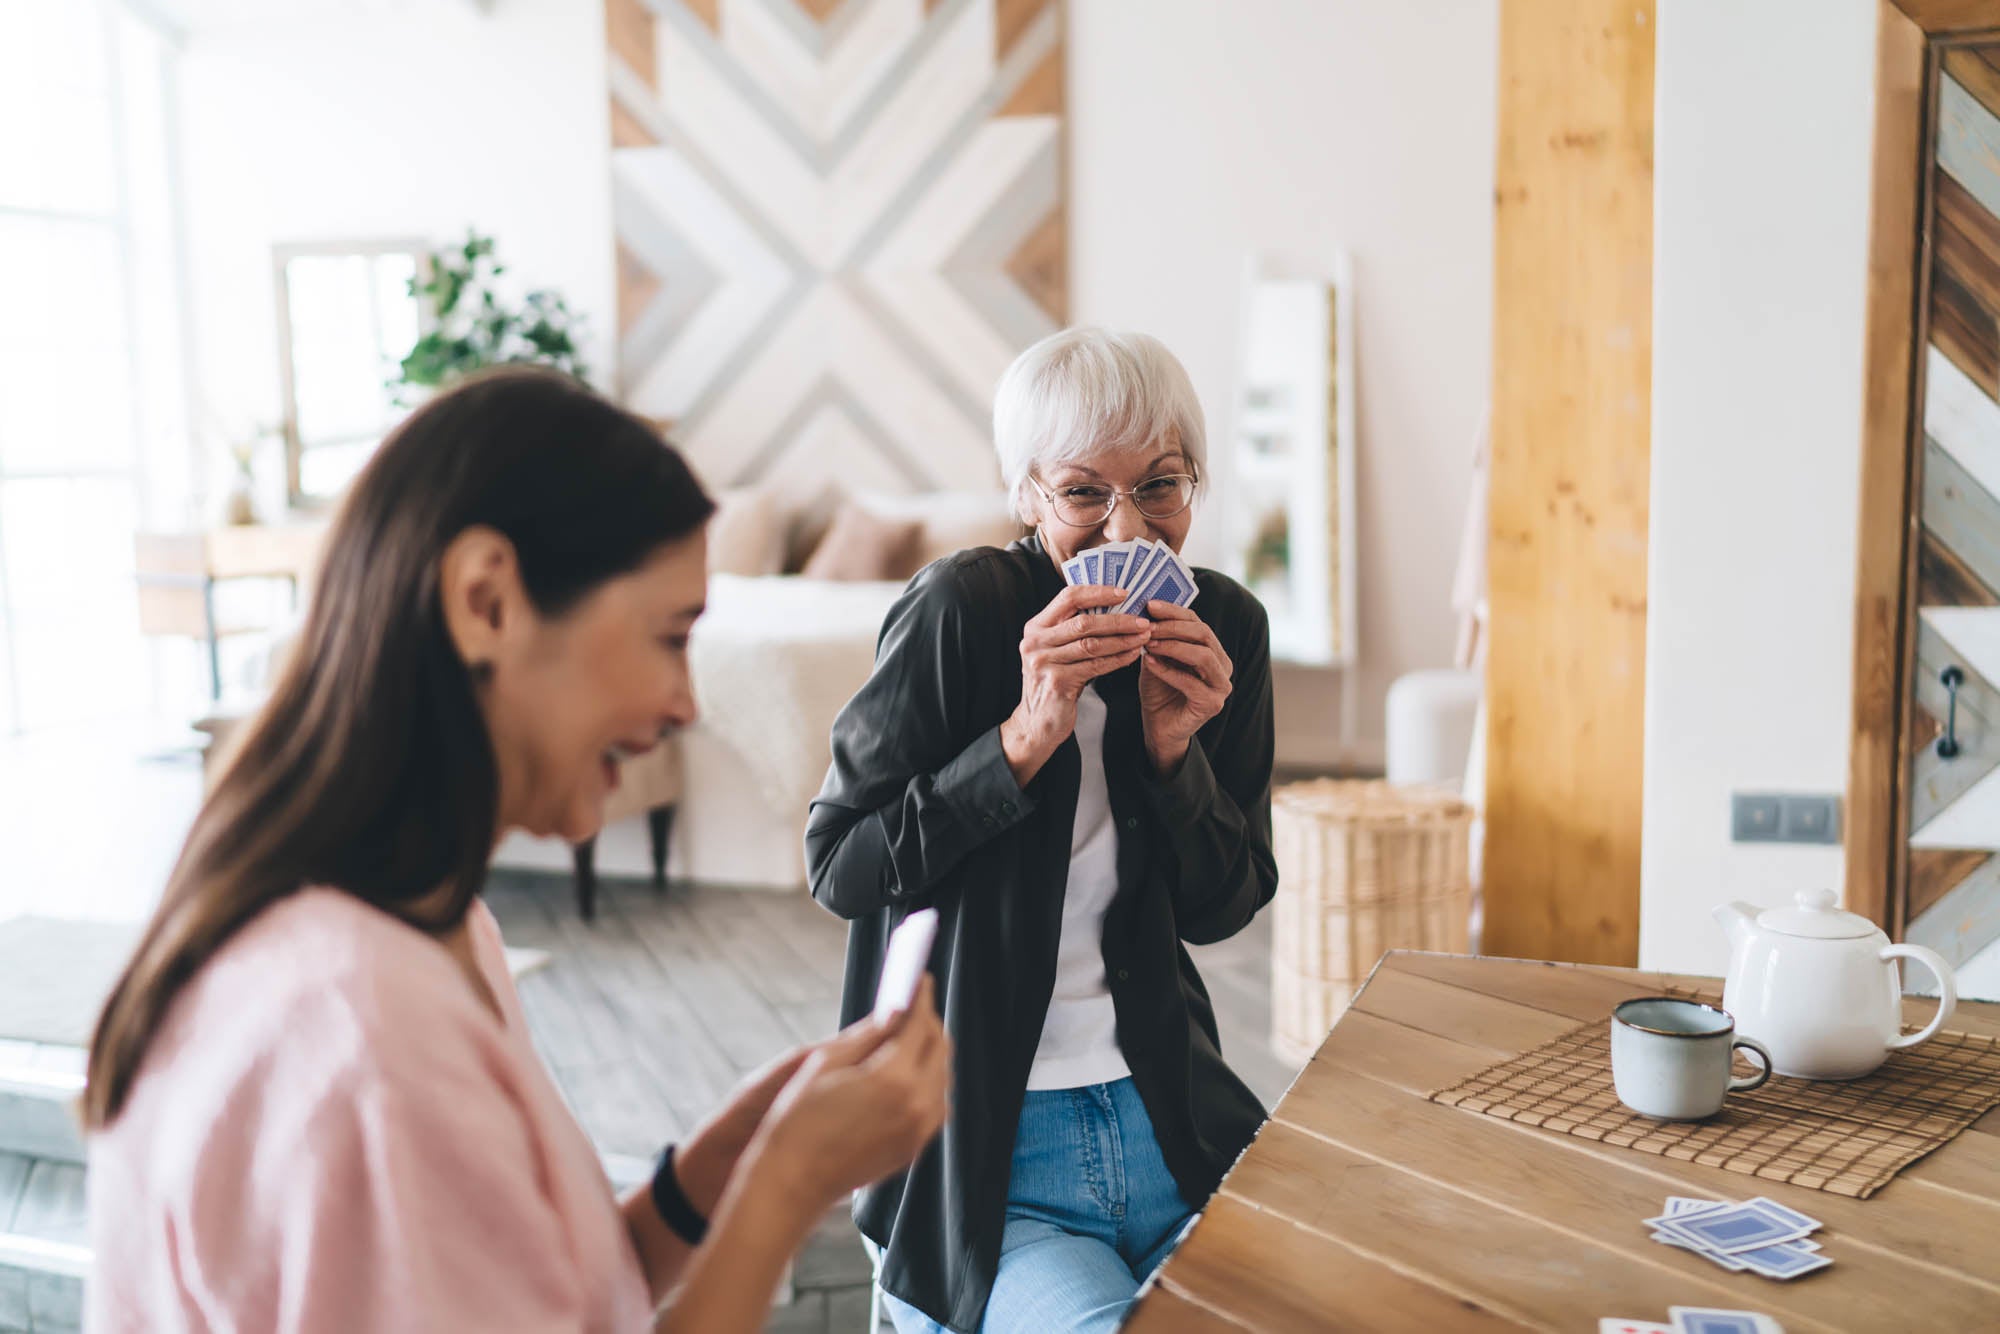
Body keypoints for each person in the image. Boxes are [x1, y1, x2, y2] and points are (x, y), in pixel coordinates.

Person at [83, 368, 951, 1332]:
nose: (687, 703)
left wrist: (718, 1167)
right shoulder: (367, 1029)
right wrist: (785, 1189)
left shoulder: (422, 928)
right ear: (487, 599)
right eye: (670, 637)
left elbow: (519, 1288)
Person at [807, 327, 1278, 1333]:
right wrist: (1020, 738)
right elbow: (840, 865)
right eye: (1081, 493)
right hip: (986, 1151)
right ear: (1023, 493)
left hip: (1171, 1119)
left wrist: (1171, 754)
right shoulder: (960, 612)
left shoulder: (1224, 628)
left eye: (1161, 485)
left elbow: (1223, 907)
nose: (1129, 529)